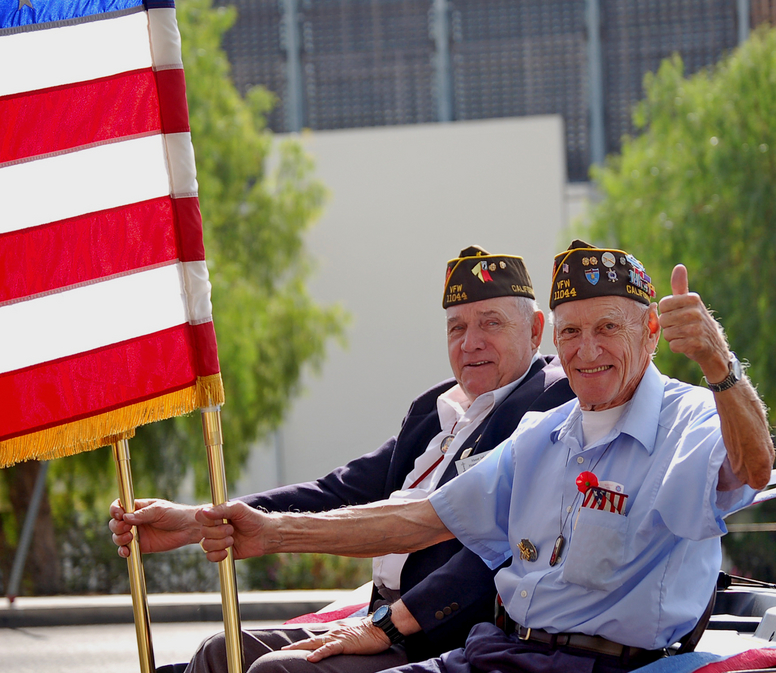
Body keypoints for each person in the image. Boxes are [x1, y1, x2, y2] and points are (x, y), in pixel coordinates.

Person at [193, 239, 775, 673]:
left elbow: (753, 469)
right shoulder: (543, 434)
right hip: (498, 652)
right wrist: (270, 532)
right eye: (571, 333)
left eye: (607, 329)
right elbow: (417, 519)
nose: (587, 350)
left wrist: (718, 362)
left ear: (651, 331)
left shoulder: (693, 416)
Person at [109, 246, 575, 672]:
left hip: (443, 633)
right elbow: (336, 492)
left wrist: (386, 626)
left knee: (275, 671)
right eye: (457, 327)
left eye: (490, 323)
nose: (470, 342)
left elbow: (491, 550)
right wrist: (197, 520)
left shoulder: (549, 404)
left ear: (536, 330)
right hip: (381, 615)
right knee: (217, 654)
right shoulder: (436, 411)